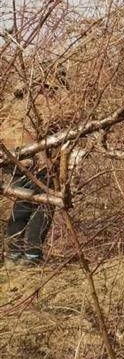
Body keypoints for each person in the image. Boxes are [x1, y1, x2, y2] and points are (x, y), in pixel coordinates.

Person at [2, 82, 58, 265]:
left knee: (21, 205)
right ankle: (32, 256)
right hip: (37, 164)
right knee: (43, 206)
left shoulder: (12, 105)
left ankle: (13, 254)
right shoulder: (46, 103)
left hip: (13, 161)